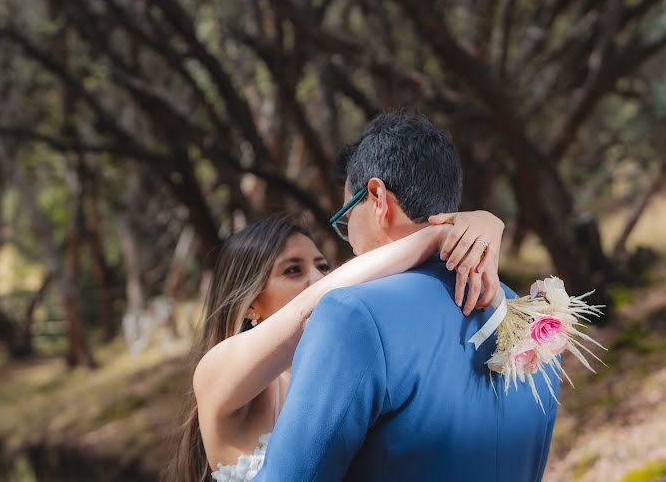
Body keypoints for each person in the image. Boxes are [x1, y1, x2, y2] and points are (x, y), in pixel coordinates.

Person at [254, 111, 559, 482]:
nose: (349, 241)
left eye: (347, 220)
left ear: (378, 198)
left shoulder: (353, 315)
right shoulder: (538, 325)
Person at [166, 207, 506, 481]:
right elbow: (310, 307)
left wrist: (482, 224)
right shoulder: (213, 371)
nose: (318, 279)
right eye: (293, 271)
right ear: (252, 302)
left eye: (323, 266)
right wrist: (435, 236)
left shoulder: (339, 370)